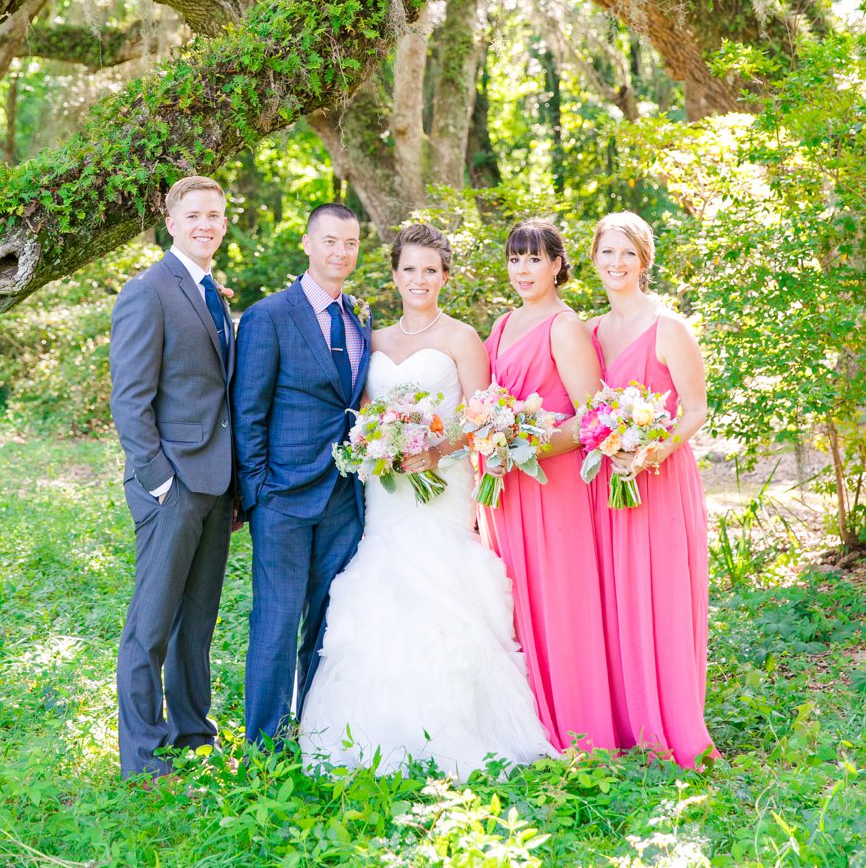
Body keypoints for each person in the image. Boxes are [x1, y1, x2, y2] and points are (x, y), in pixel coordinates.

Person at [299, 223, 555, 777]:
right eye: (409, 269)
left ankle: (460, 728)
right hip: (387, 489)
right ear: (394, 274)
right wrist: (379, 443)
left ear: (444, 277)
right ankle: (376, 730)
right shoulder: (375, 339)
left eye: (430, 271)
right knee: (382, 584)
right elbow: (366, 411)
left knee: (442, 589)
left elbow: (481, 413)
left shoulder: (463, 337)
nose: (419, 280)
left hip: (443, 486)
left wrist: (436, 449)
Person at [231, 204, 371, 746]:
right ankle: (264, 744)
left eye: (351, 243)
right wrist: (259, 490)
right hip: (283, 495)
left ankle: (309, 728)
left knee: (325, 621)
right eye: (331, 241)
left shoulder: (357, 316)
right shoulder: (269, 316)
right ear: (308, 244)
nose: (341, 252)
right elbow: (248, 411)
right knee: (276, 620)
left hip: (342, 494)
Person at [110, 175, 235, 780]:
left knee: (198, 620)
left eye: (214, 213)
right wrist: (160, 481)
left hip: (216, 484)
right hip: (174, 487)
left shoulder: (213, 292)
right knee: (151, 625)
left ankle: (193, 733)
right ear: (171, 222)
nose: (205, 223)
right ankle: (142, 754)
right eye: (194, 215)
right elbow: (130, 399)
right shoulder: (149, 291)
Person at [587, 210, 716, 768]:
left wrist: (655, 450)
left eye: (627, 254)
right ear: (592, 259)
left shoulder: (669, 326)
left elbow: (697, 410)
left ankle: (673, 723)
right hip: (609, 480)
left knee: (659, 595)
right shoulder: (590, 331)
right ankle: (624, 718)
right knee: (616, 597)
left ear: (644, 260)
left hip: (659, 479)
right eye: (607, 252)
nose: (616, 264)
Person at [482, 219, 616, 752]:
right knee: (517, 602)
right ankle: (529, 722)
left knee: (559, 601)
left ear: (558, 266)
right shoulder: (502, 324)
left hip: (552, 484)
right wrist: (490, 446)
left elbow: (591, 417)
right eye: (515, 259)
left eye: (535, 259)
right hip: (507, 487)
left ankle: (579, 728)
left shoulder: (564, 326)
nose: (523, 269)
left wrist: (522, 448)